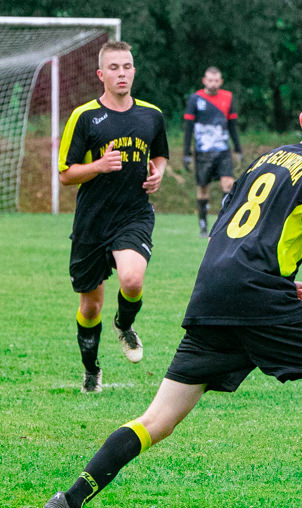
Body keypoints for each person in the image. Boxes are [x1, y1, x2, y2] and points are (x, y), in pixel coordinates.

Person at [41, 70, 302, 508]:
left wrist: (281, 278)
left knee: (156, 419)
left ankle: (69, 499)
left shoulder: (265, 161)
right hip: (260, 299)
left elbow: (234, 227)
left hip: (215, 294)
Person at [58, 41, 169, 393]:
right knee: (90, 308)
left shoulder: (151, 115)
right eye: (115, 68)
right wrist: (99, 166)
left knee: (132, 280)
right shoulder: (85, 116)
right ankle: (91, 370)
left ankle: (125, 324)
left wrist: (159, 173)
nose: (122, 73)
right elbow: (65, 173)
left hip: (133, 215)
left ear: (134, 70)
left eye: (128, 66)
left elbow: (161, 155)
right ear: (101, 74)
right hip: (92, 222)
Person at [183, 66, 243, 238]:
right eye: (210, 80)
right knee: (203, 189)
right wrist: (186, 153)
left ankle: (223, 223)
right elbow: (188, 127)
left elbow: (232, 126)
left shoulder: (228, 98)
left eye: (216, 80)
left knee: (228, 184)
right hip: (203, 153)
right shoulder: (195, 99)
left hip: (223, 150)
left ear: (221, 82)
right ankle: (203, 224)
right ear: (204, 81)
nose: (213, 84)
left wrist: (238, 150)